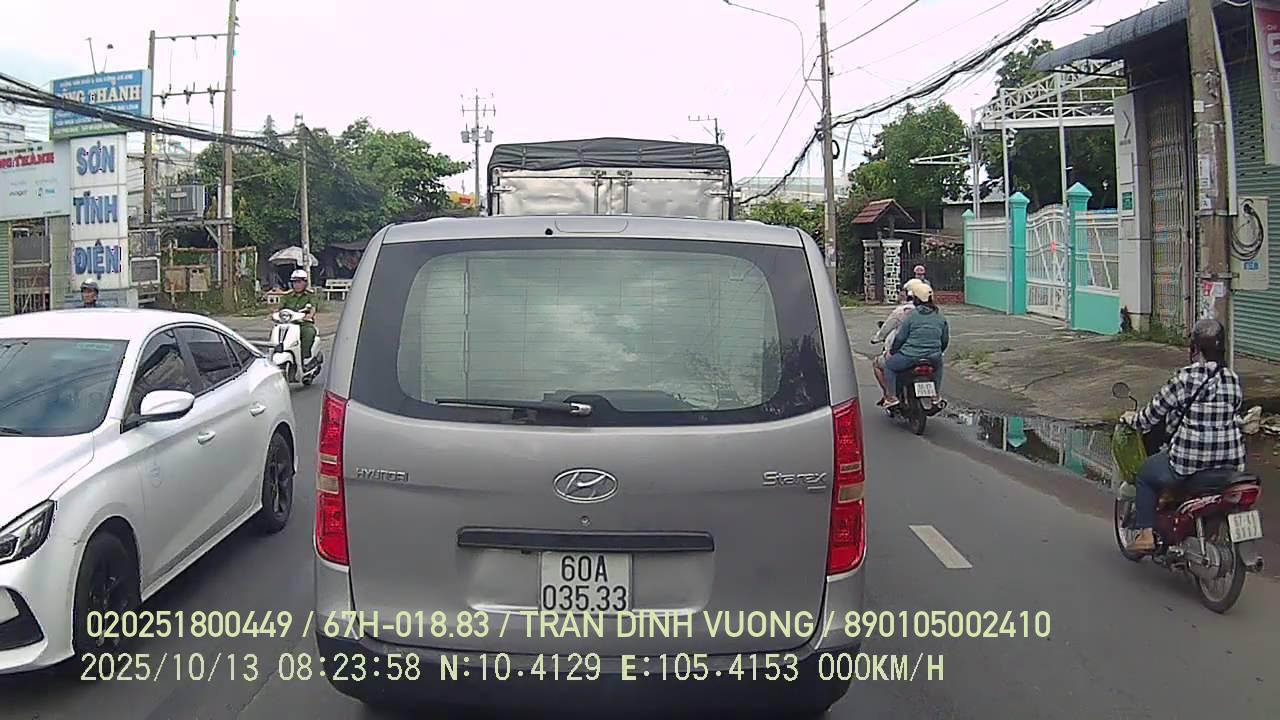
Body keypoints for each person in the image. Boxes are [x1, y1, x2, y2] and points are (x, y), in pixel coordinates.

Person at [1121, 318, 1245, 554]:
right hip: (1230, 462)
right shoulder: (1232, 378)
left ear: (1195, 348)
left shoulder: (1185, 378)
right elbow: (1234, 412)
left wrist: (1131, 419)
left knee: (1146, 473)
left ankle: (1146, 535)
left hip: (1189, 463)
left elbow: (1150, 416)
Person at [884, 281, 949, 408]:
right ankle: (936, 396)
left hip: (910, 356)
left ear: (916, 299)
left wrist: (892, 352)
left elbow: (900, 338)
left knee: (889, 366)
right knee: (939, 367)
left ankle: (892, 397)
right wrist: (938, 351)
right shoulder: (940, 317)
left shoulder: (911, 316)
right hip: (933, 356)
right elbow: (945, 339)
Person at [872, 279, 923, 406]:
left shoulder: (902, 311)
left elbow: (888, 330)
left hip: (906, 354)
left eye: (902, 292)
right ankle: (935, 396)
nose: (900, 294)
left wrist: (877, 338)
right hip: (930, 354)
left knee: (880, 364)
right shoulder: (932, 312)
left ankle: (890, 396)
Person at [280, 268, 318, 360]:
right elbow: (279, 309)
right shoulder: (287, 296)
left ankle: (304, 357)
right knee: (277, 333)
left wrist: (309, 316)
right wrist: (275, 315)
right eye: (294, 282)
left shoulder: (310, 296)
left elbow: (313, 308)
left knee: (309, 332)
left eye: (299, 282)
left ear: (305, 283)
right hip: (288, 323)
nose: (296, 285)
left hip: (304, 324)